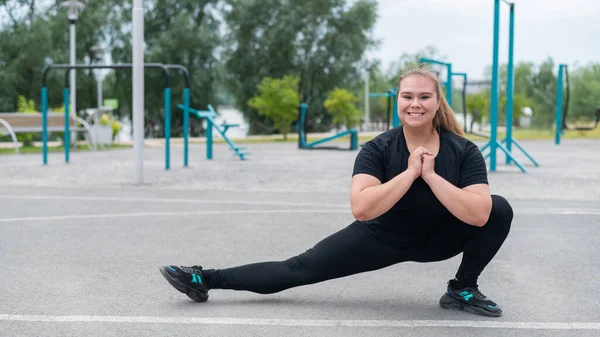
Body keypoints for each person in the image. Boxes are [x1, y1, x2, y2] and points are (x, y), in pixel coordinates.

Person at [159, 66, 513, 318]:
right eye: (408, 96)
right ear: (398, 100)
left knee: (499, 207)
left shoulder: (463, 150)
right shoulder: (377, 149)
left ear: (437, 102)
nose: (415, 104)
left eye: (424, 97)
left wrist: (432, 177)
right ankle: (203, 278)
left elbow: (479, 214)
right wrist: (409, 173)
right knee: (294, 270)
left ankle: (462, 289)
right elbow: (362, 208)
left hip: (439, 239)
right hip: (381, 237)